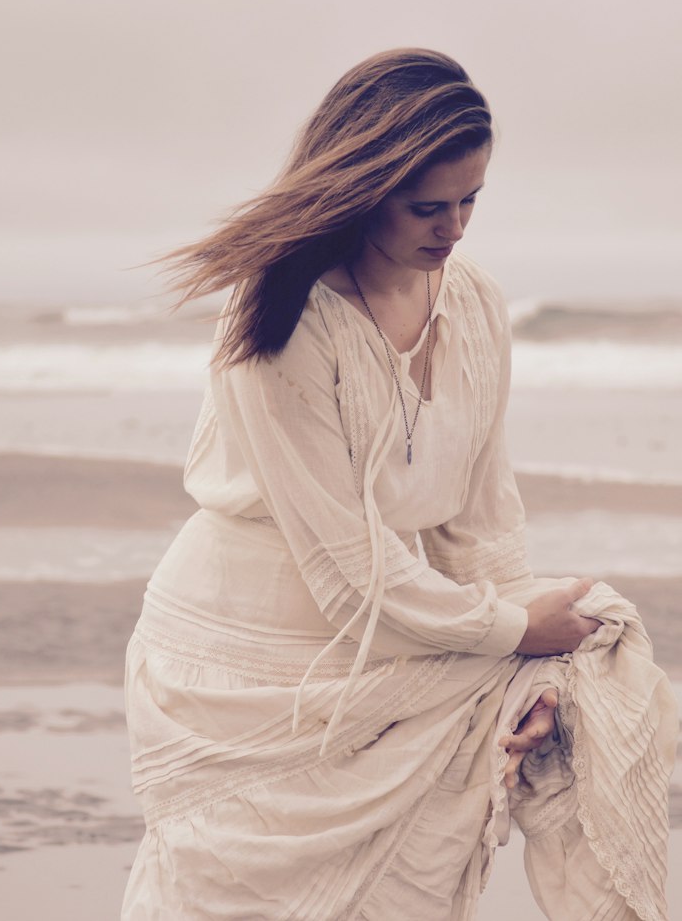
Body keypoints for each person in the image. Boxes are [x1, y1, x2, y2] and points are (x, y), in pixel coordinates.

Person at [121, 49, 676, 920]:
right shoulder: (280, 315)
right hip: (247, 669)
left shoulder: (476, 300)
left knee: (592, 668)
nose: (454, 227)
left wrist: (522, 666)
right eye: (427, 205)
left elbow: (482, 521)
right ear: (360, 188)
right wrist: (508, 629)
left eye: (471, 200)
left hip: (398, 626)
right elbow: (347, 572)